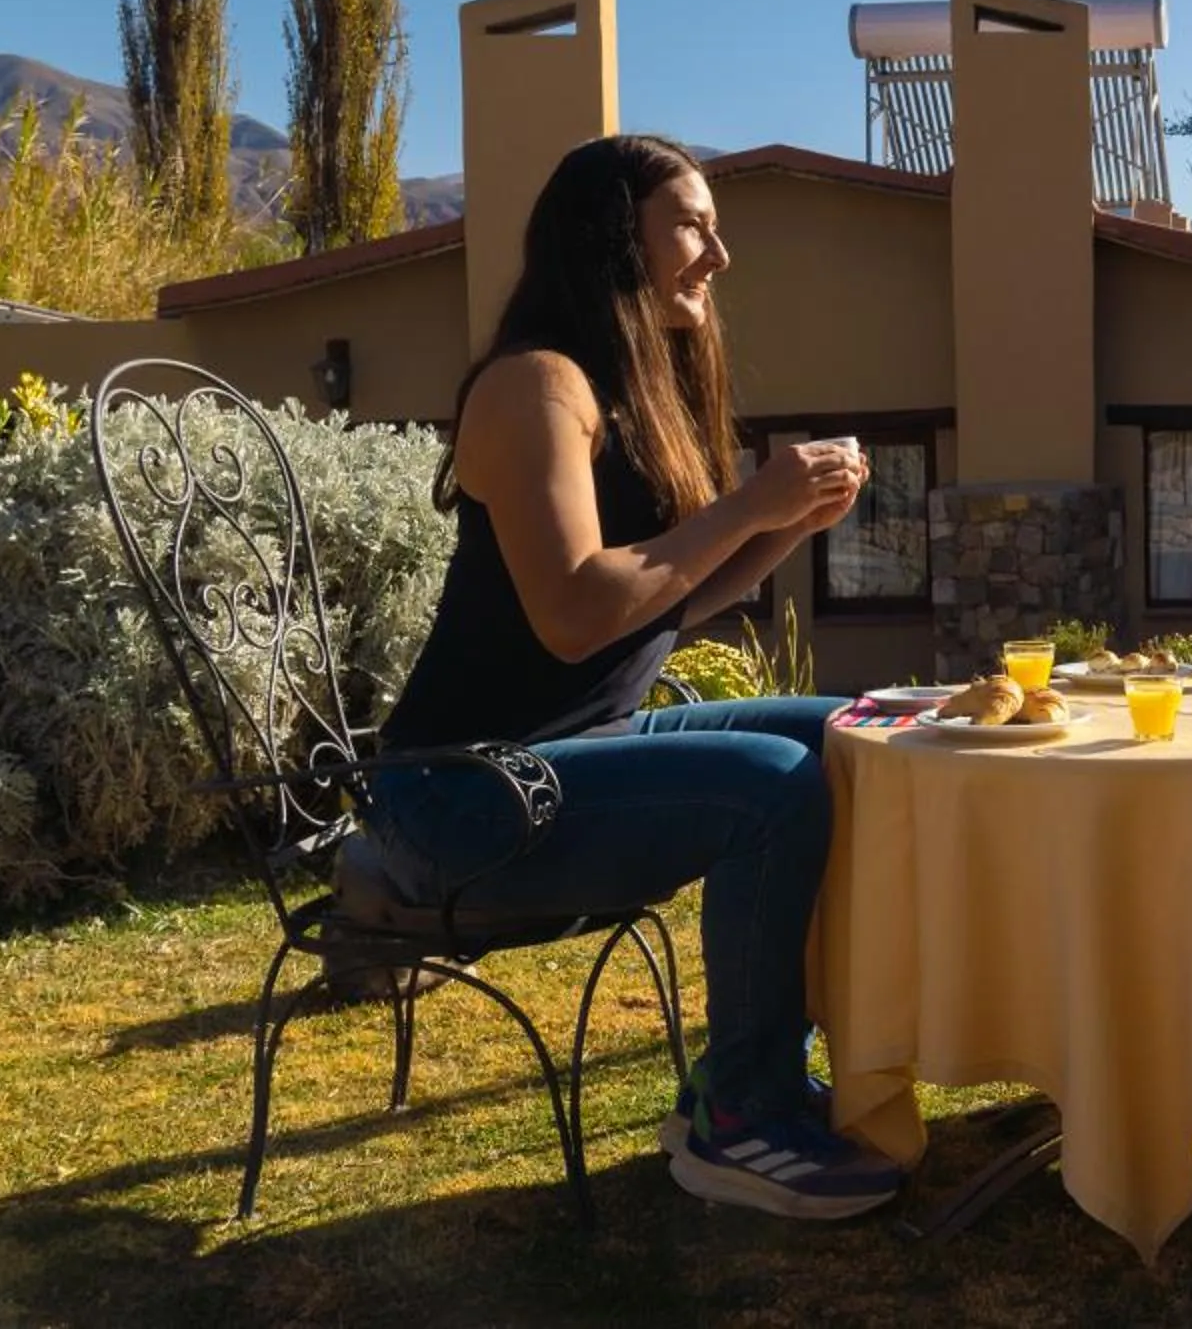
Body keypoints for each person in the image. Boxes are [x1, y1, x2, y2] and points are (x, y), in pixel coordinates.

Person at [369, 133, 906, 1221]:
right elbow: (575, 616)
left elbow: (663, 603)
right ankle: (741, 1114)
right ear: (619, 235)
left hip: (575, 752)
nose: (718, 252)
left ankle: (789, 1058)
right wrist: (748, 505)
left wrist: (782, 524)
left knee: (855, 730)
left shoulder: (614, 386)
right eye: (694, 225)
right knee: (772, 785)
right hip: (465, 793)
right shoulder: (535, 387)